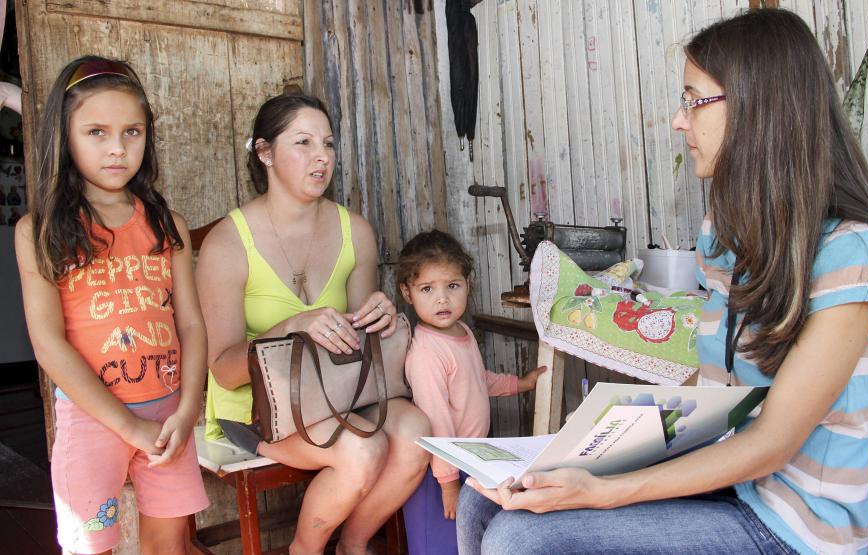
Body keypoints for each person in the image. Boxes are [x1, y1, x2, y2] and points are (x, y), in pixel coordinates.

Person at [456, 8, 868, 555]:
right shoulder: (727, 232)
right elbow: (715, 393)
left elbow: (771, 443)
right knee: (485, 497)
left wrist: (603, 492)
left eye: (695, 100)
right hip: (734, 486)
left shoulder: (854, 253)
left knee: (521, 540)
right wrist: (585, 451)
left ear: (758, 108)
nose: (679, 119)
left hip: (795, 530)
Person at [196, 92, 431, 555]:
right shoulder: (228, 243)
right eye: (302, 143)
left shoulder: (355, 232)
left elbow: (363, 356)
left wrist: (379, 317)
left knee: (418, 432)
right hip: (258, 409)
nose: (321, 156)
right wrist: (293, 325)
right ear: (265, 153)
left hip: (339, 390)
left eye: (327, 143)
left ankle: (354, 545)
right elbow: (223, 370)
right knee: (362, 451)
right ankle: (305, 549)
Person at [15, 55, 209, 555]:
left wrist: (187, 412)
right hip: (93, 420)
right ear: (65, 136)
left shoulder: (169, 226)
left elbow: (190, 323)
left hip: (169, 417)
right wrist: (127, 426)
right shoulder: (40, 232)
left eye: (132, 132)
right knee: (91, 548)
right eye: (96, 132)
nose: (118, 149)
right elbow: (49, 344)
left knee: (168, 545)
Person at [396, 230, 545, 555]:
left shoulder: (460, 331)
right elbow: (436, 421)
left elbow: (476, 380)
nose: (442, 299)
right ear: (407, 293)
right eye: (427, 289)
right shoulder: (425, 353)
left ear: (467, 284)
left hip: (470, 460)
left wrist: (519, 384)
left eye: (452, 286)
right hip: (439, 472)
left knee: (466, 543)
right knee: (438, 544)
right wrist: (448, 484)